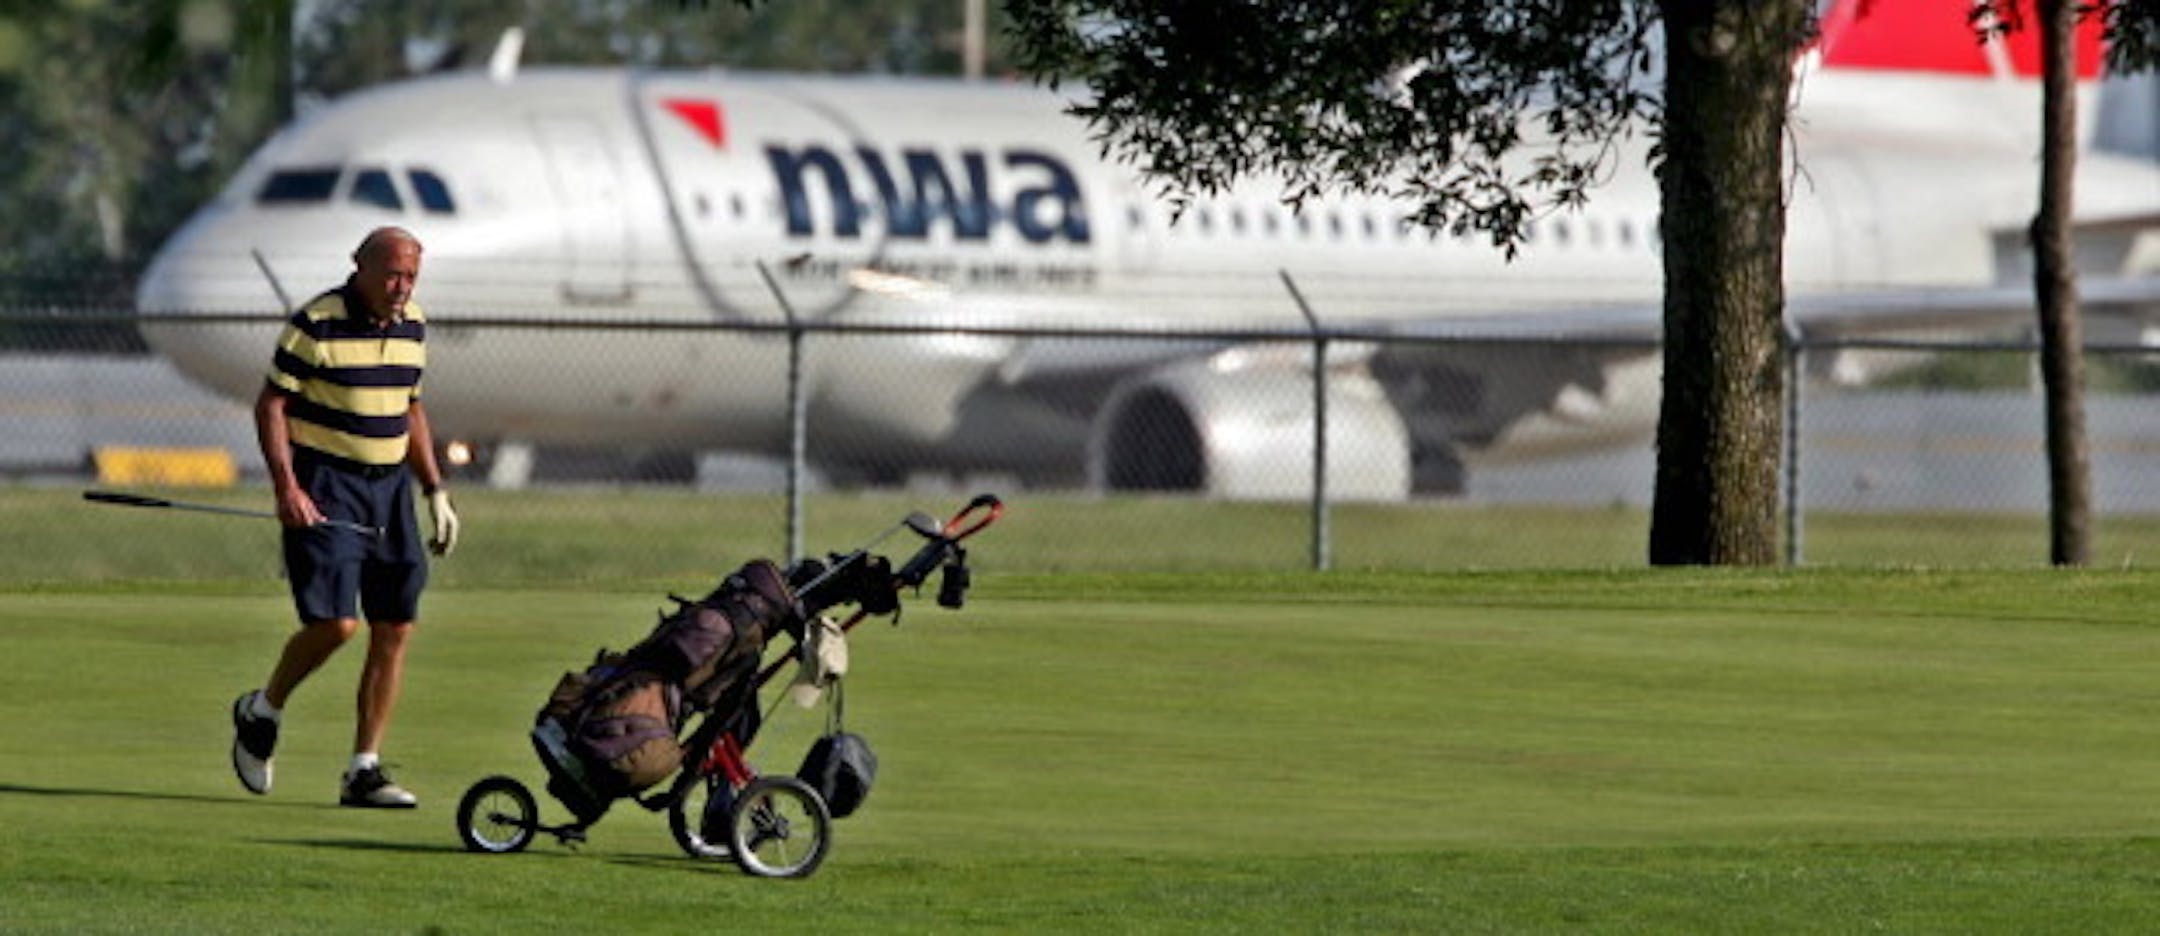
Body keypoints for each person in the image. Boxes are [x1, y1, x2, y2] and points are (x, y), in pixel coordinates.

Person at [230, 226, 460, 808]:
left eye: (411, 276)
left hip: (391, 490)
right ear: (360, 266)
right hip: (327, 484)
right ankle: (262, 711)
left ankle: (364, 770)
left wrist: (435, 489)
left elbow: (410, 408)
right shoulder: (317, 323)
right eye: (392, 274)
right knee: (336, 624)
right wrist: (287, 487)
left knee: (395, 625)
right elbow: (272, 405)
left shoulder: (414, 325)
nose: (402, 287)